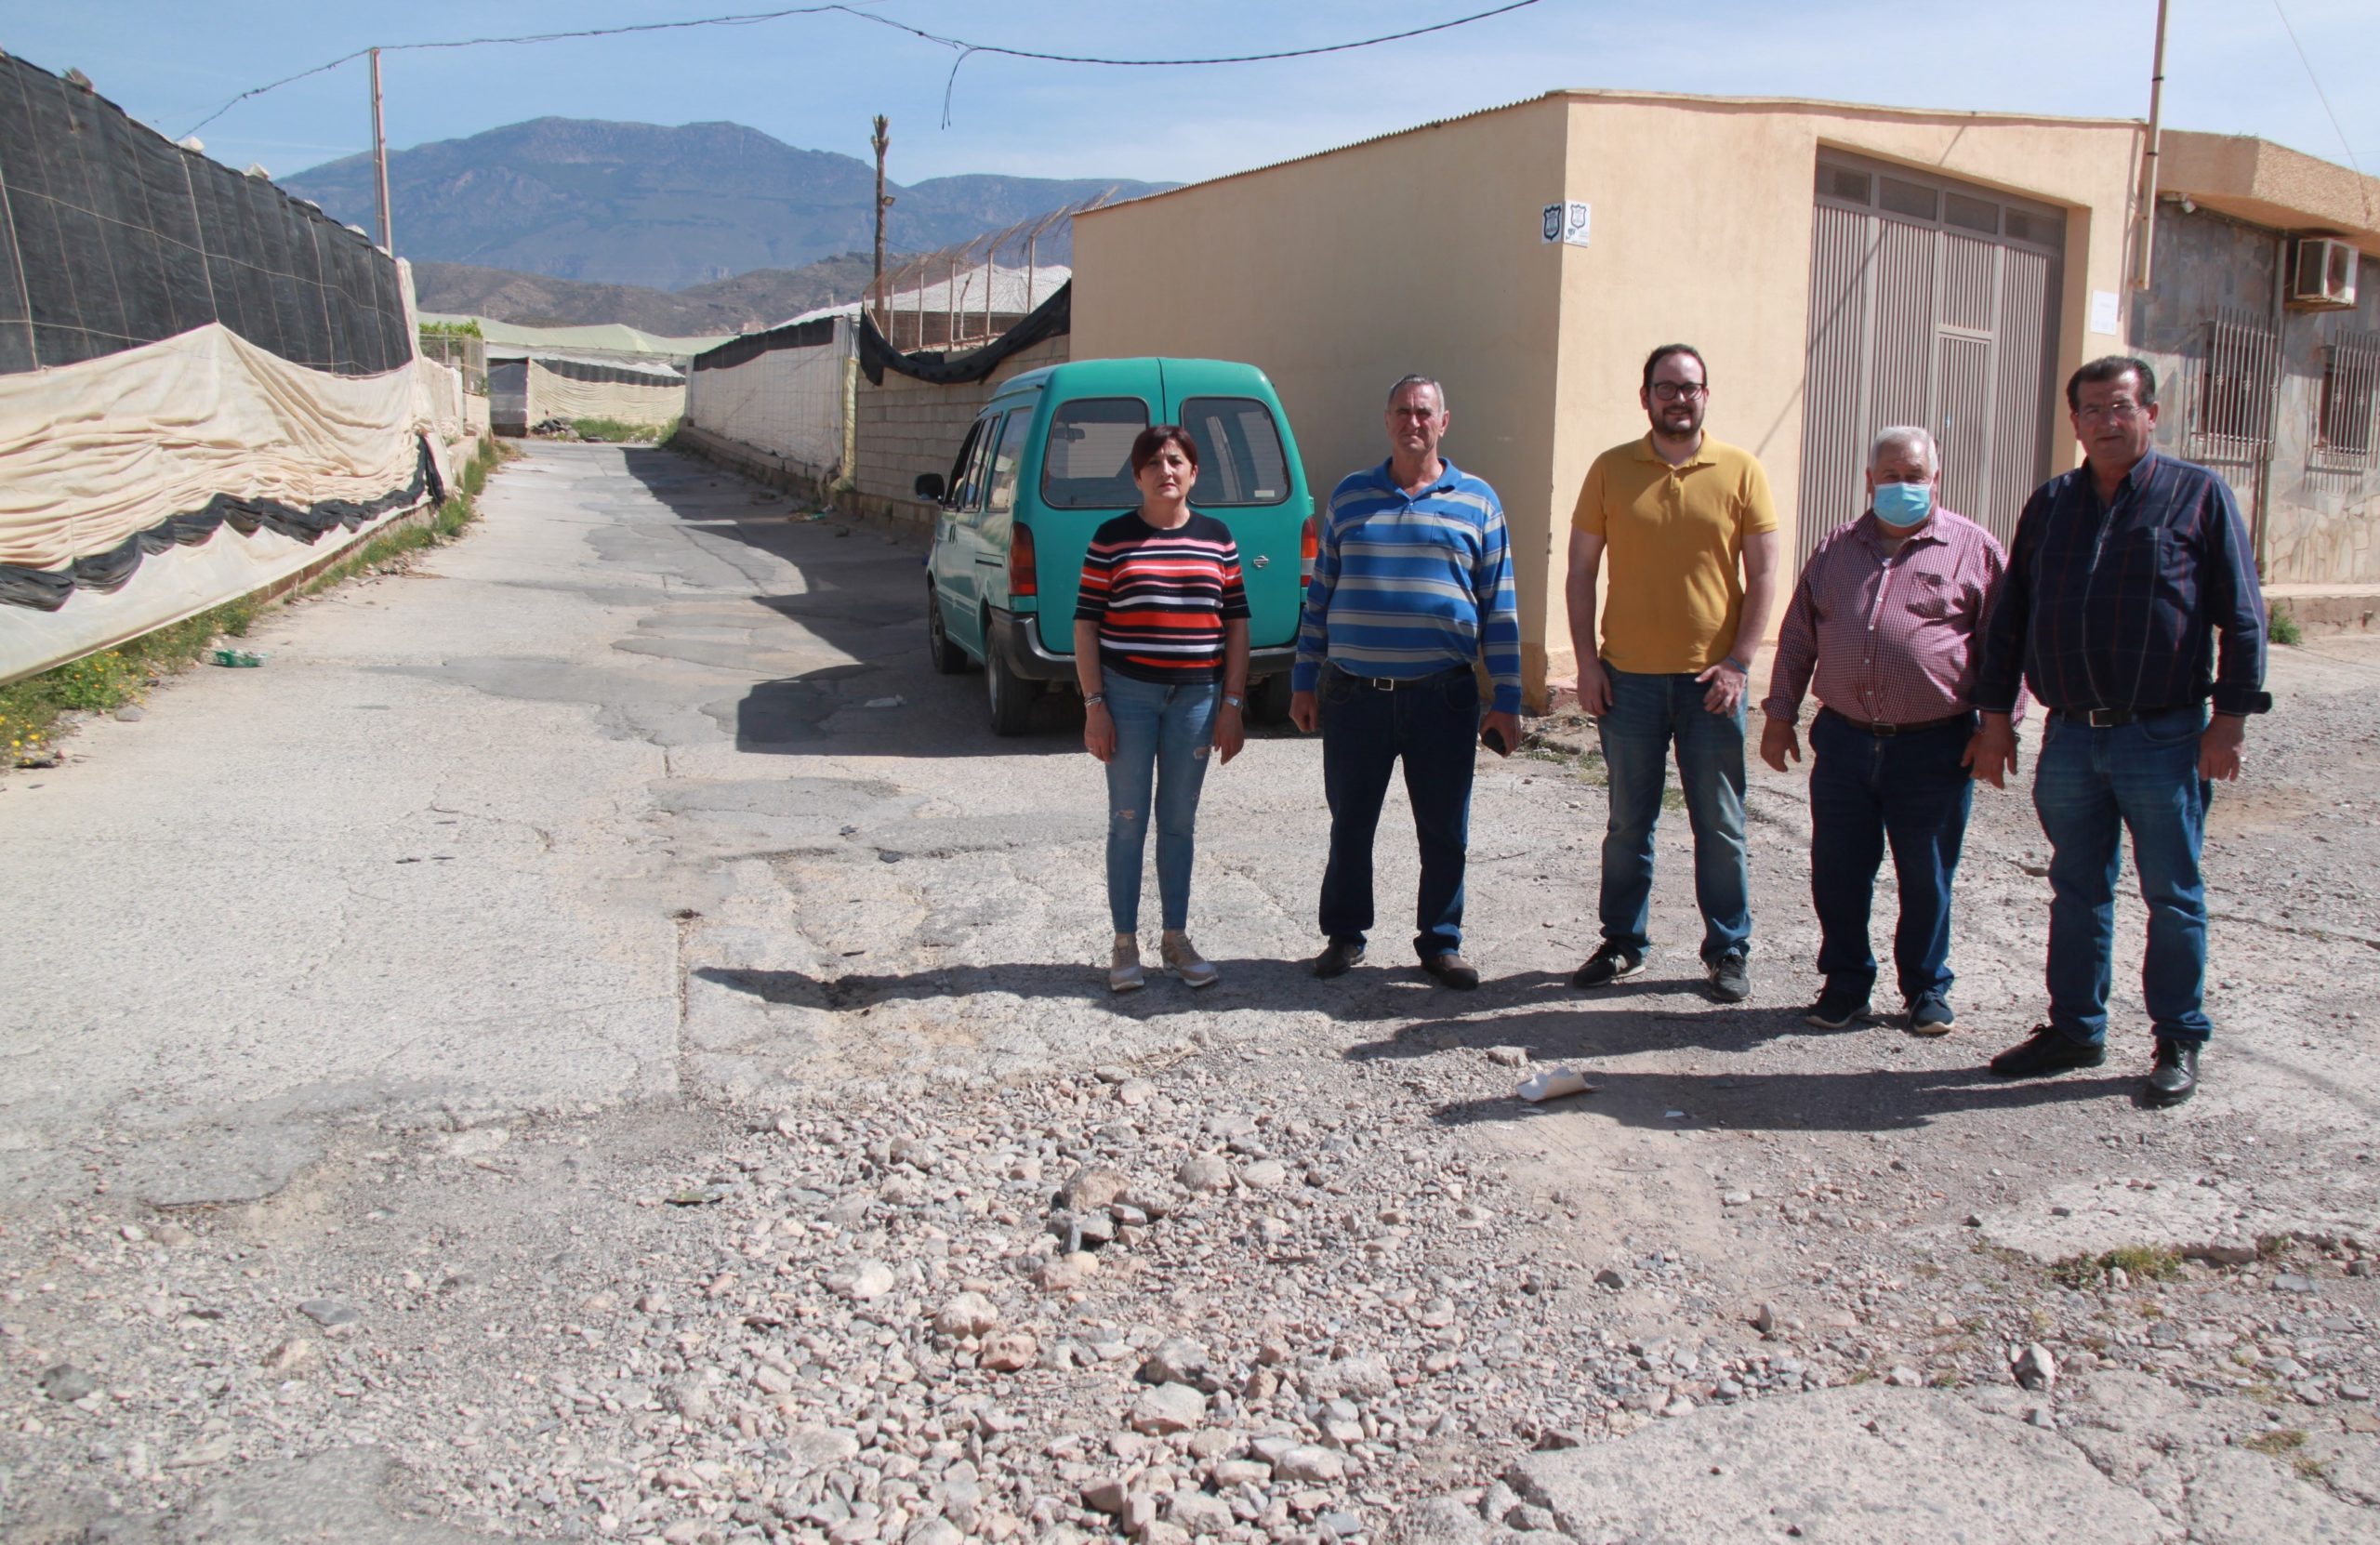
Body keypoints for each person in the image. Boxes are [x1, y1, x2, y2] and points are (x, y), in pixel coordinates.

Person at [1968, 355, 2270, 1107]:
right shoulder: (2051, 504)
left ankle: (2177, 1037)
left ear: (2152, 414)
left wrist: (2226, 724)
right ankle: (2075, 1028)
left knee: (2172, 894)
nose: (2108, 420)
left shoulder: (2197, 496)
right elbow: (2010, 622)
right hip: (2071, 737)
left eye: (2122, 406)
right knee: (2076, 888)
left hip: (2163, 737)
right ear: (2074, 422)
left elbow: (2242, 618)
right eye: (2093, 409)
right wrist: (1997, 720)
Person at [1760, 426, 2011, 1036]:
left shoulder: (1973, 549)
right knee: (1839, 871)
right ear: (1869, 480)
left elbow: (2007, 646)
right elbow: (1798, 636)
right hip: (1844, 740)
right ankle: (1845, 984)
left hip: (1934, 746)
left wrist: (1999, 729)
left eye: (1915, 475)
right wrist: (1779, 715)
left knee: (1925, 874)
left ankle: (1925, 987)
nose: (1903, 486)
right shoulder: (1836, 549)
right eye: (1891, 475)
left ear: (1936, 480)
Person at [1289, 375, 1522, 989]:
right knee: (1351, 824)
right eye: (1402, 412)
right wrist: (1303, 681)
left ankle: (1440, 943)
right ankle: (1344, 935)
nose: (1413, 422)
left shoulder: (1478, 501)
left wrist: (1509, 699)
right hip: (1353, 694)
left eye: (1424, 412)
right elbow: (1320, 598)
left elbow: (1499, 607)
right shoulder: (1350, 497)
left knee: (1444, 827)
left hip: (1443, 696)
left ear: (1444, 422)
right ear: (1386, 420)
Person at [1566, 344, 1780, 1002]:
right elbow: (1580, 572)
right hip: (1626, 681)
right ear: (1646, 397)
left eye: (1690, 387)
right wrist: (1586, 663)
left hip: (1710, 686)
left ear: (1705, 396)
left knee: (1719, 824)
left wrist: (1741, 664)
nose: (1678, 398)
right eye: (1666, 387)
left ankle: (1727, 949)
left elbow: (1766, 573)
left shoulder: (1742, 470)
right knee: (1629, 821)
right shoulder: (1609, 470)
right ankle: (1623, 942)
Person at [1075, 425, 1250, 993]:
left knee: (1178, 823)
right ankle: (1124, 946)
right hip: (1127, 698)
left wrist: (1232, 703)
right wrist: (1094, 704)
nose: (1165, 470)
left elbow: (1237, 626)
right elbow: (1086, 625)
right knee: (1127, 822)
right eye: (1152, 462)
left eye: (1176, 460)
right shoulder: (1111, 538)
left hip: (1197, 700)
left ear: (1194, 472)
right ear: (1137, 475)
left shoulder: (1218, 538)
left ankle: (1174, 938)